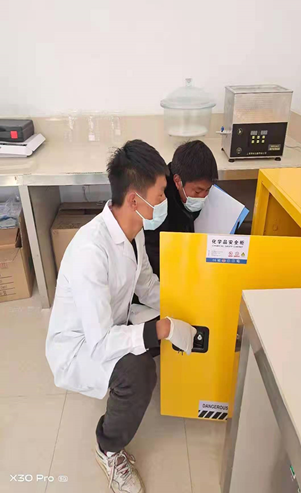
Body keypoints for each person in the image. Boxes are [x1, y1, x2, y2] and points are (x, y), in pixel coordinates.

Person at [46, 140, 198, 493]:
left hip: (113, 321)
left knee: (166, 327)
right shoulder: (90, 252)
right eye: (159, 195)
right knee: (139, 371)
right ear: (134, 200)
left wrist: (185, 306)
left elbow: (146, 285)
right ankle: (108, 448)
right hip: (81, 346)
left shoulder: (133, 230)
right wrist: (162, 328)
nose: (164, 202)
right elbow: (100, 343)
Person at [144, 139, 218, 278]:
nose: (203, 197)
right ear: (178, 181)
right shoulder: (158, 200)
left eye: (207, 190)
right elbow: (152, 252)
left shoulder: (194, 187)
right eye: (198, 191)